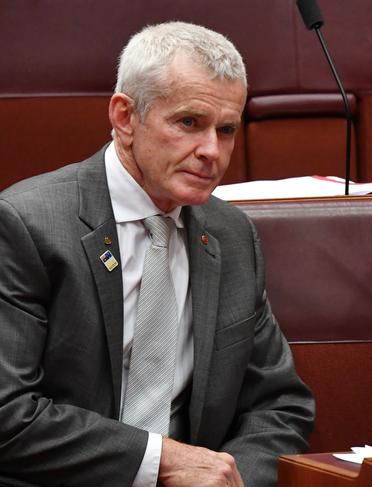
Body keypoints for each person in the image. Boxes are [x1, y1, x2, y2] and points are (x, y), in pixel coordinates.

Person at [0, 21, 314, 487]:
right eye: (189, 122)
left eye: (226, 130)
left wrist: (232, 479)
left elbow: (278, 405)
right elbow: (8, 412)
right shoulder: (29, 223)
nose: (212, 151)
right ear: (125, 117)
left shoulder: (231, 235)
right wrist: (159, 462)